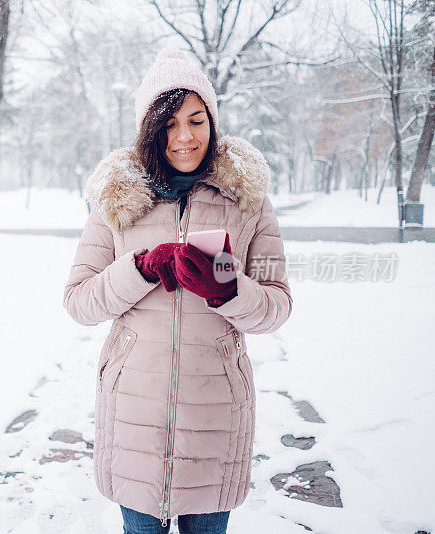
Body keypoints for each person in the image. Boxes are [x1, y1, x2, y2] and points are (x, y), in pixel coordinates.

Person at [62, 47, 293, 534]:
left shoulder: (249, 200)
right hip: (134, 415)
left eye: (196, 120)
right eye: (168, 123)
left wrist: (225, 287)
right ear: (149, 127)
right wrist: (140, 269)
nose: (184, 137)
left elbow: (276, 307)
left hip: (214, 413)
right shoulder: (115, 200)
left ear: (213, 121)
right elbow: (79, 302)